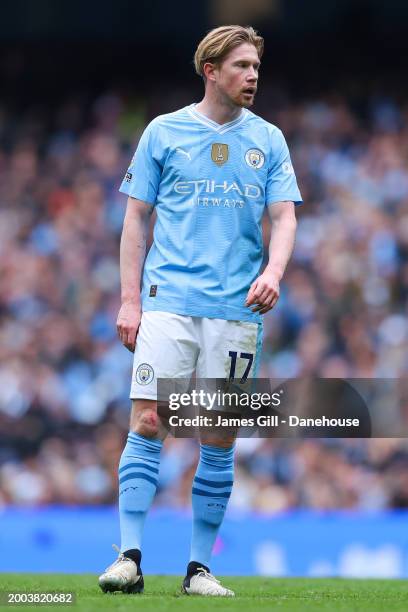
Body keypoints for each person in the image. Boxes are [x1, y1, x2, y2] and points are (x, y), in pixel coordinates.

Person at [99, 24, 302, 596]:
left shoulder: (270, 139)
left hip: (236, 310)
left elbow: (284, 217)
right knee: (148, 419)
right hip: (168, 303)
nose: (253, 75)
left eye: (256, 66)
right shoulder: (164, 133)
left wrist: (273, 272)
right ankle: (129, 558)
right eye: (241, 66)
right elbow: (135, 219)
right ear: (210, 70)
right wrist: (130, 299)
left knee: (218, 434)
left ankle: (197, 570)